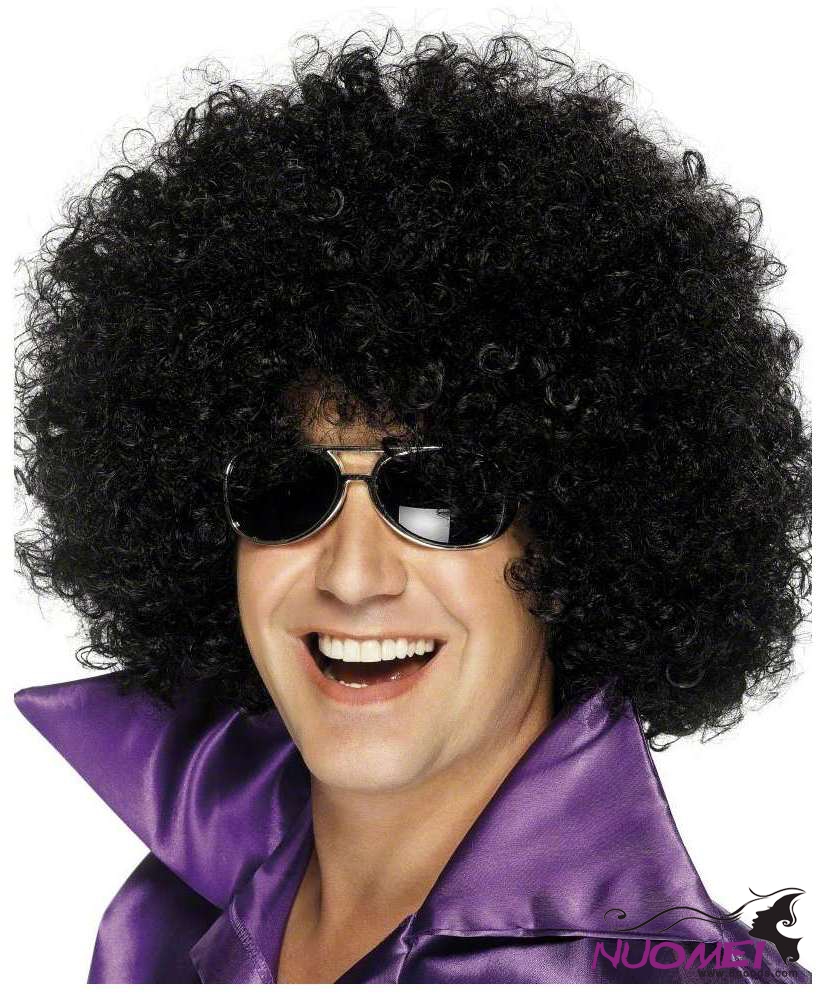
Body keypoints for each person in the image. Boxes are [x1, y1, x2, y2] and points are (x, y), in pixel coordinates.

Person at [13, 26, 811, 984]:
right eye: (287, 487)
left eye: (440, 495)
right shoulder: (173, 913)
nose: (352, 575)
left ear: (576, 545)